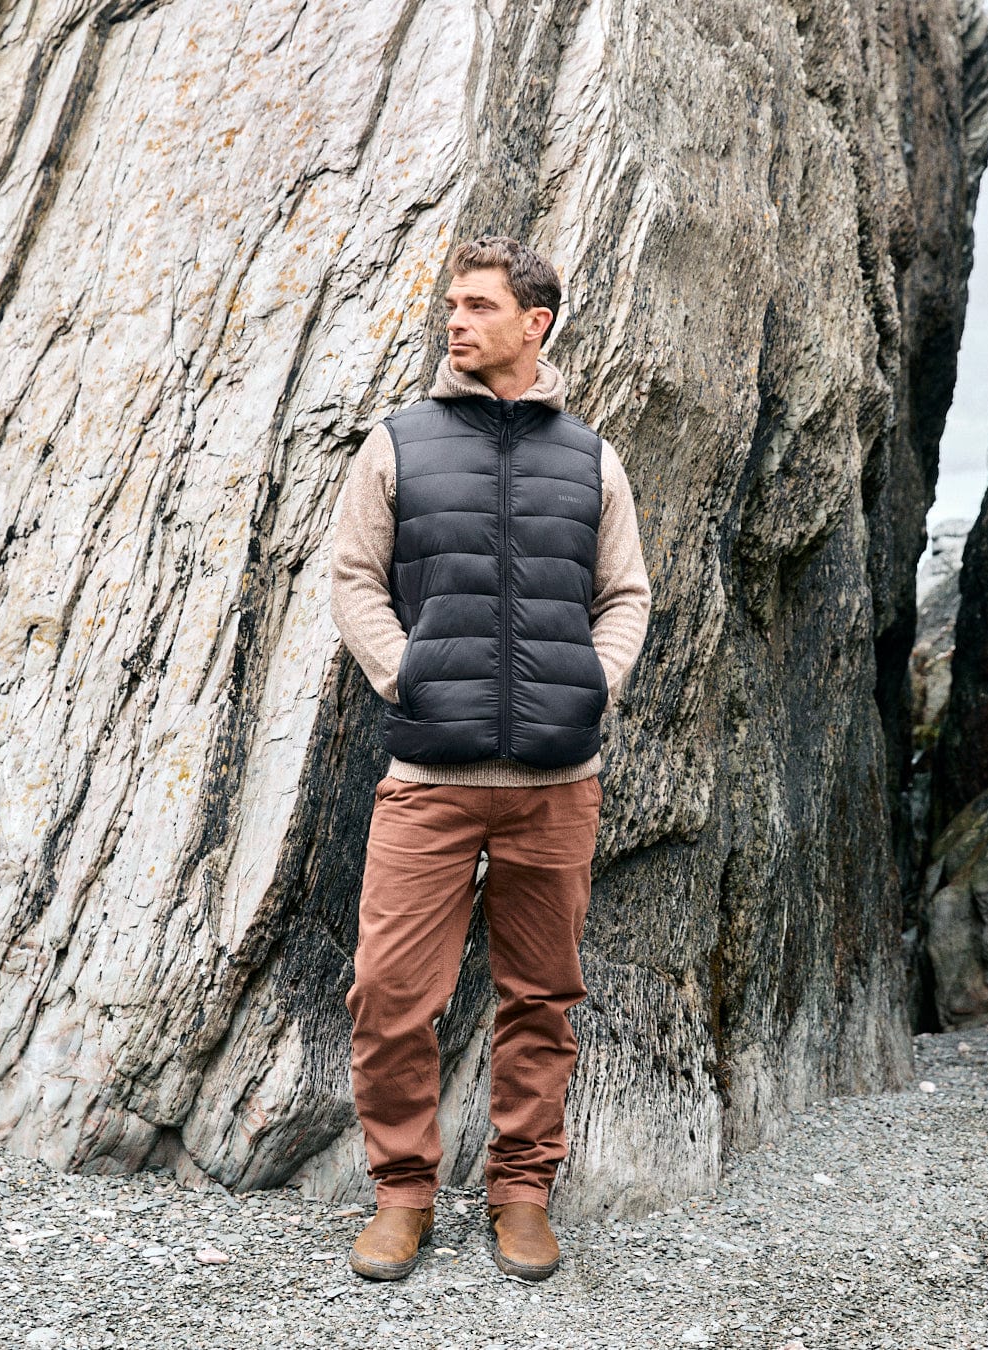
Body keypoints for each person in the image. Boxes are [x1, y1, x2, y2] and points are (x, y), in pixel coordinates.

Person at [330, 235, 650, 1282]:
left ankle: (520, 1194)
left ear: (534, 322)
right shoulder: (398, 444)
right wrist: (406, 675)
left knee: (542, 996)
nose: (455, 322)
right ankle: (404, 1194)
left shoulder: (591, 457)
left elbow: (626, 596)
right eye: (452, 305)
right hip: (428, 779)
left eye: (476, 305)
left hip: (557, 786)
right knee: (387, 993)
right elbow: (353, 579)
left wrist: (589, 685)